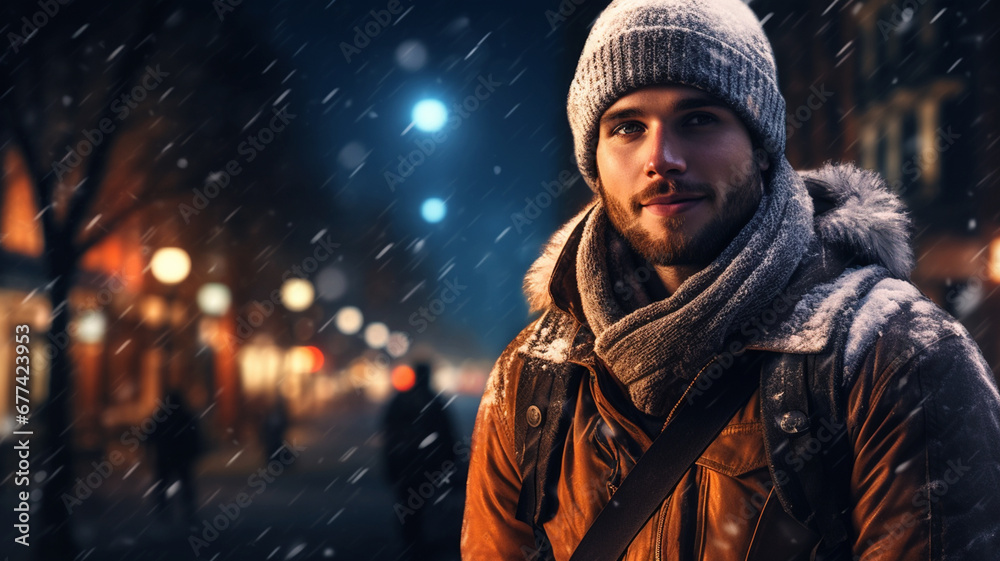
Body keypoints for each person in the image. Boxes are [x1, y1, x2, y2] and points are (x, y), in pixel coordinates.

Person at [461, 0, 1000, 559]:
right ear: (593, 163)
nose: (662, 158)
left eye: (698, 119)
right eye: (627, 127)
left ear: (763, 148)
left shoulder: (897, 358)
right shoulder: (531, 379)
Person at [382, 362, 459, 560]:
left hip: (405, 465)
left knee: (408, 507)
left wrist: (390, 465)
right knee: (425, 505)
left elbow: (389, 435)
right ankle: (419, 544)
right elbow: (447, 434)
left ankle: (411, 544)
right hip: (427, 466)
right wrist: (450, 461)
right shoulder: (434, 402)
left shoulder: (401, 401)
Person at [149, 390, 202, 524]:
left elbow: (150, 436)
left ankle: (165, 513)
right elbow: (195, 436)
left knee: (164, 486)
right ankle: (187, 513)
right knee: (185, 485)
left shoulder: (161, 416)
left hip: (166, 456)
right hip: (180, 456)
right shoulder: (185, 416)